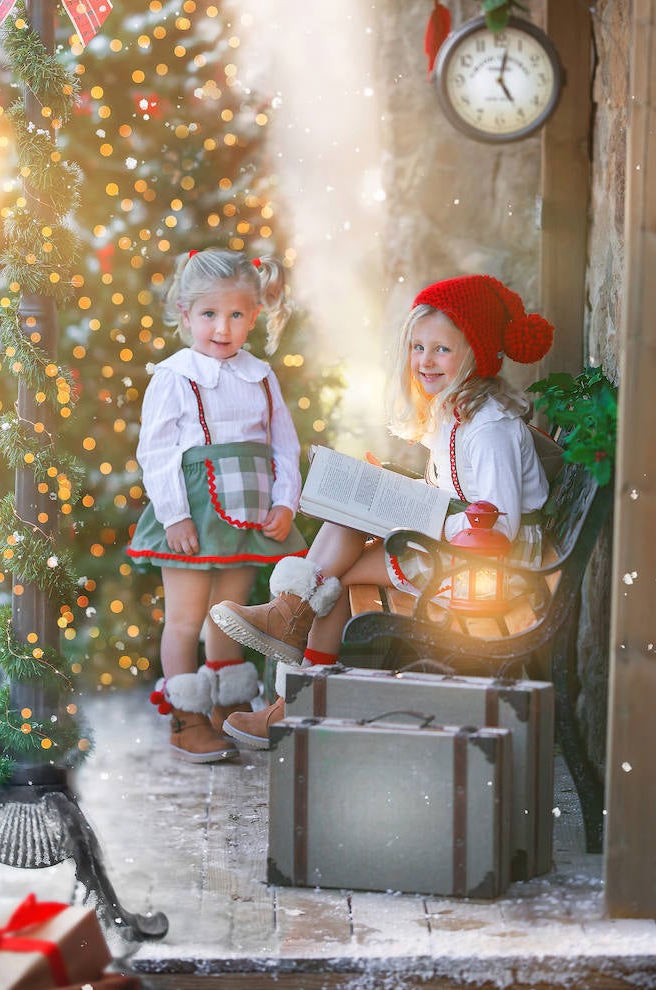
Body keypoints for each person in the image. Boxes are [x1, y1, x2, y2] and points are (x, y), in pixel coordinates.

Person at [209, 273, 554, 748]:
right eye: (418, 347)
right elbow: (452, 491)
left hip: (492, 567)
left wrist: (421, 516)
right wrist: (395, 491)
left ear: (475, 351)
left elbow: (501, 525)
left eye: (442, 349)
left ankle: (292, 665)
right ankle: (291, 653)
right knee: (345, 529)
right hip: (458, 548)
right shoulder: (453, 412)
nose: (425, 362)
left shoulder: (489, 428)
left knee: (335, 576)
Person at [128, 248, 308, 762]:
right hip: (194, 513)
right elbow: (157, 451)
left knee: (228, 615)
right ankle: (186, 717)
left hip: (247, 513)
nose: (222, 328)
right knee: (185, 618)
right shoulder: (174, 376)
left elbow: (283, 446)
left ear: (254, 315)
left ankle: (227, 709)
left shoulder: (261, 376)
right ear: (185, 315)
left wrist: (284, 503)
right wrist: (175, 516)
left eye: (235, 315)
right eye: (209, 314)